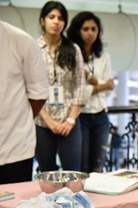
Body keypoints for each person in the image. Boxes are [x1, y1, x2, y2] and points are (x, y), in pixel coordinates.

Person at [35, 1, 84, 172]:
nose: (56, 22)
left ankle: (72, 200)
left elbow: (79, 86)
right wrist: (49, 121)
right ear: (43, 20)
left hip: (68, 122)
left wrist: (70, 120)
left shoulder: (73, 49)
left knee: (73, 173)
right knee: (47, 173)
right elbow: (30, 88)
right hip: (42, 122)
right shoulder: (33, 48)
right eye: (52, 17)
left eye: (61, 18)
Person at [0, 21, 49, 183]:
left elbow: (39, 95)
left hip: (14, 149)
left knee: (12, 206)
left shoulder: (21, 40)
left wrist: (17, 119)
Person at [67, 11, 113, 173]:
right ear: (78, 31)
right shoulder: (71, 55)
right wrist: (98, 85)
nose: (90, 33)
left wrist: (91, 80)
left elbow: (111, 85)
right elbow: (75, 91)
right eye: (85, 29)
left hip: (101, 115)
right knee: (82, 166)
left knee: (98, 165)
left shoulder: (103, 56)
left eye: (94, 29)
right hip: (80, 116)